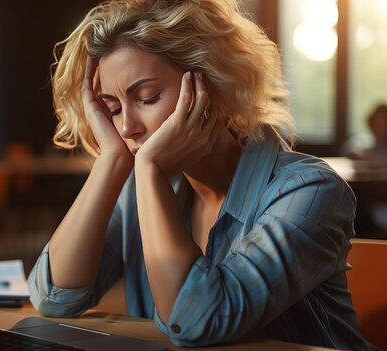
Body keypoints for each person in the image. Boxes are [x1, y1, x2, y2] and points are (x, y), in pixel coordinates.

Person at [27, 0, 377, 349]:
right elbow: (56, 298)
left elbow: (198, 322)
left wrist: (147, 168)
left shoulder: (309, 190)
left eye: (147, 98)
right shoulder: (139, 190)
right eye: (113, 109)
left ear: (210, 85)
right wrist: (111, 161)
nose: (127, 127)